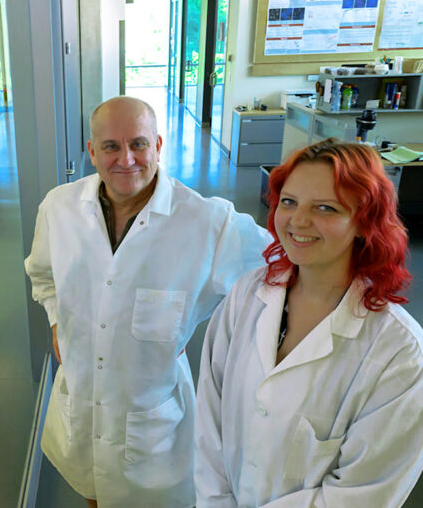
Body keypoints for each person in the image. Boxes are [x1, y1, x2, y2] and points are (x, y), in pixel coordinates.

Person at [24, 96, 270, 507]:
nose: (126, 159)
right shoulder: (59, 208)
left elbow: (282, 263)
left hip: (151, 422)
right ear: (91, 151)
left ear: (158, 146)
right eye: (110, 147)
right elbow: (42, 274)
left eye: (138, 144)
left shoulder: (207, 221)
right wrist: (54, 320)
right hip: (82, 399)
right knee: (93, 490)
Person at [195, 139, 423, 507]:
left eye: (326, 208)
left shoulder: (400, 354)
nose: (298, 221)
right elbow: (209, 420)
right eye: (289, 201)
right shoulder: (246, 296)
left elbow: (362, 494)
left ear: (365, 222)